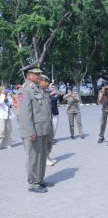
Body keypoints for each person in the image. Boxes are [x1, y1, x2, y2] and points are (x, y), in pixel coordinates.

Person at [18, 63, 53, 193]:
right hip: (33, 131)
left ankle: (39, 179)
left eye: (39, 73)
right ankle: (33, 183)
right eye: (37, 74)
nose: (39, 76)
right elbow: (25, 114)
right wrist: (30, 132)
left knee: (42, 156)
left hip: (43, 129)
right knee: (34, 157)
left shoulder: (38, 89)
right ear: (28, 75)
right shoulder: (24, 89)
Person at [38, 75, 57, 166]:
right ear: (40, 82)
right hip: (41, 123)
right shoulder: (37, 93)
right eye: (45, 82)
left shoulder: (46, 93)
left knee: (50, 141)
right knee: (44, 142)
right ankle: (44, 159)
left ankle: (47, 156)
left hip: (49, 121)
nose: (47, 84)